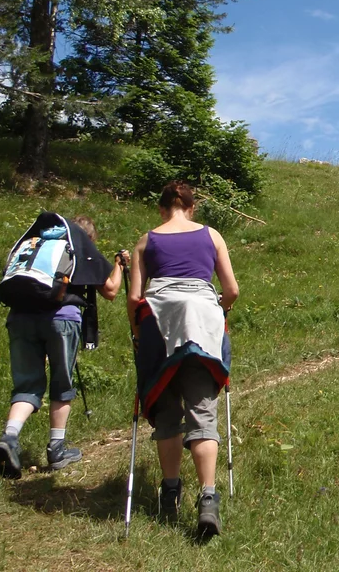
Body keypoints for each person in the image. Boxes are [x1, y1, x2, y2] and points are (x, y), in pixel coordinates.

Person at [127, 181, 239, 537]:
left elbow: (134, 298)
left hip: (159, 325)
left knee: (166, 411)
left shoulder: (146, 241)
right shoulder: (213, 236)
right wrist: (218, 311)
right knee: (202, 410)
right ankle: (208, 497)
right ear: (192, 208)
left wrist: (137, 332)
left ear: (162, 210)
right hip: (202, 325)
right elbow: (232, 289)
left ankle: (170, 490)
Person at [0, 215, 126, 478]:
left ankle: (9, 437)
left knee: (27, 386)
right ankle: (57, 449)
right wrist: (119, 264)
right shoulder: (80, 244)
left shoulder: (37, 241)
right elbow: (110, 290)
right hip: (60, 319)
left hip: (19, 317)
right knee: (61, 384)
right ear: (89, 237)